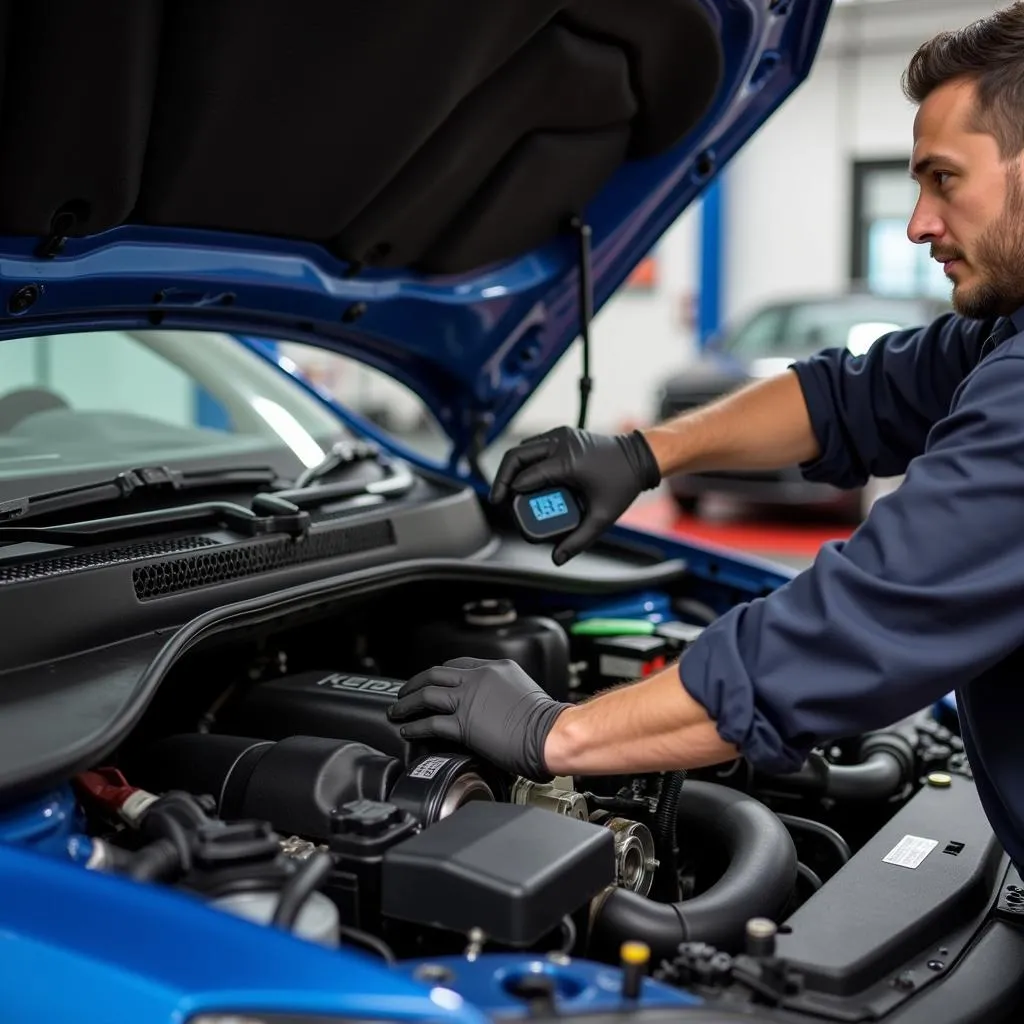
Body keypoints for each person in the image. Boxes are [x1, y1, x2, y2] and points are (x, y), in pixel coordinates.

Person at [388, 4, 1024, 865]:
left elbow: (855, 629)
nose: (916, 222)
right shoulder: (1002, 333)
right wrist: (644, 455)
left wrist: (554, 733)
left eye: (943, 178)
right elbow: (849, 396)